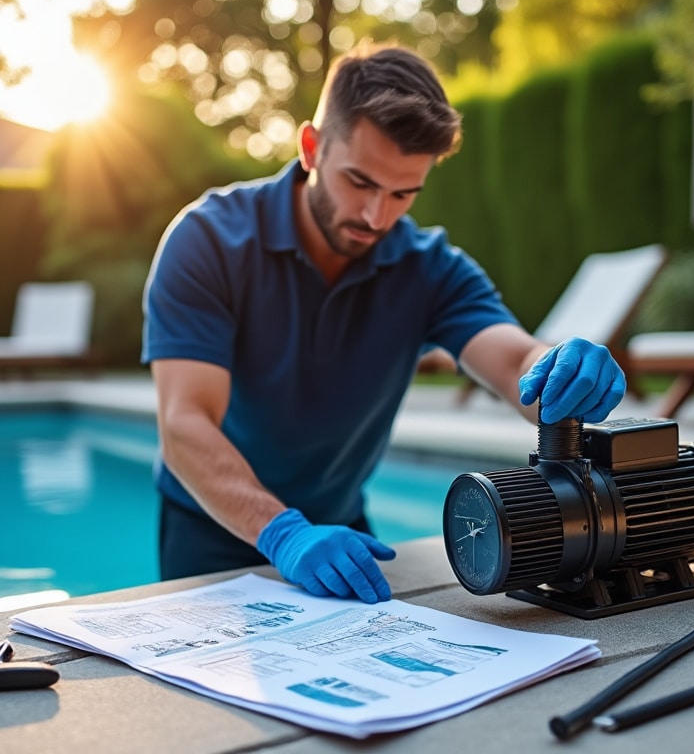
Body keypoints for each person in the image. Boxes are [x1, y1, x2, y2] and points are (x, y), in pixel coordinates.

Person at [142, 42, 624, 605]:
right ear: (311, 147)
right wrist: (284, 534)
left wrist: (560, 366)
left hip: (341, 533)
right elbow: (185, 422)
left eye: (403, 194)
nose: (377, 216)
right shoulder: (207, 240)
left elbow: (516, 362)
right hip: (214, 526)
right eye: (361, 183)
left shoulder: (430, 267)